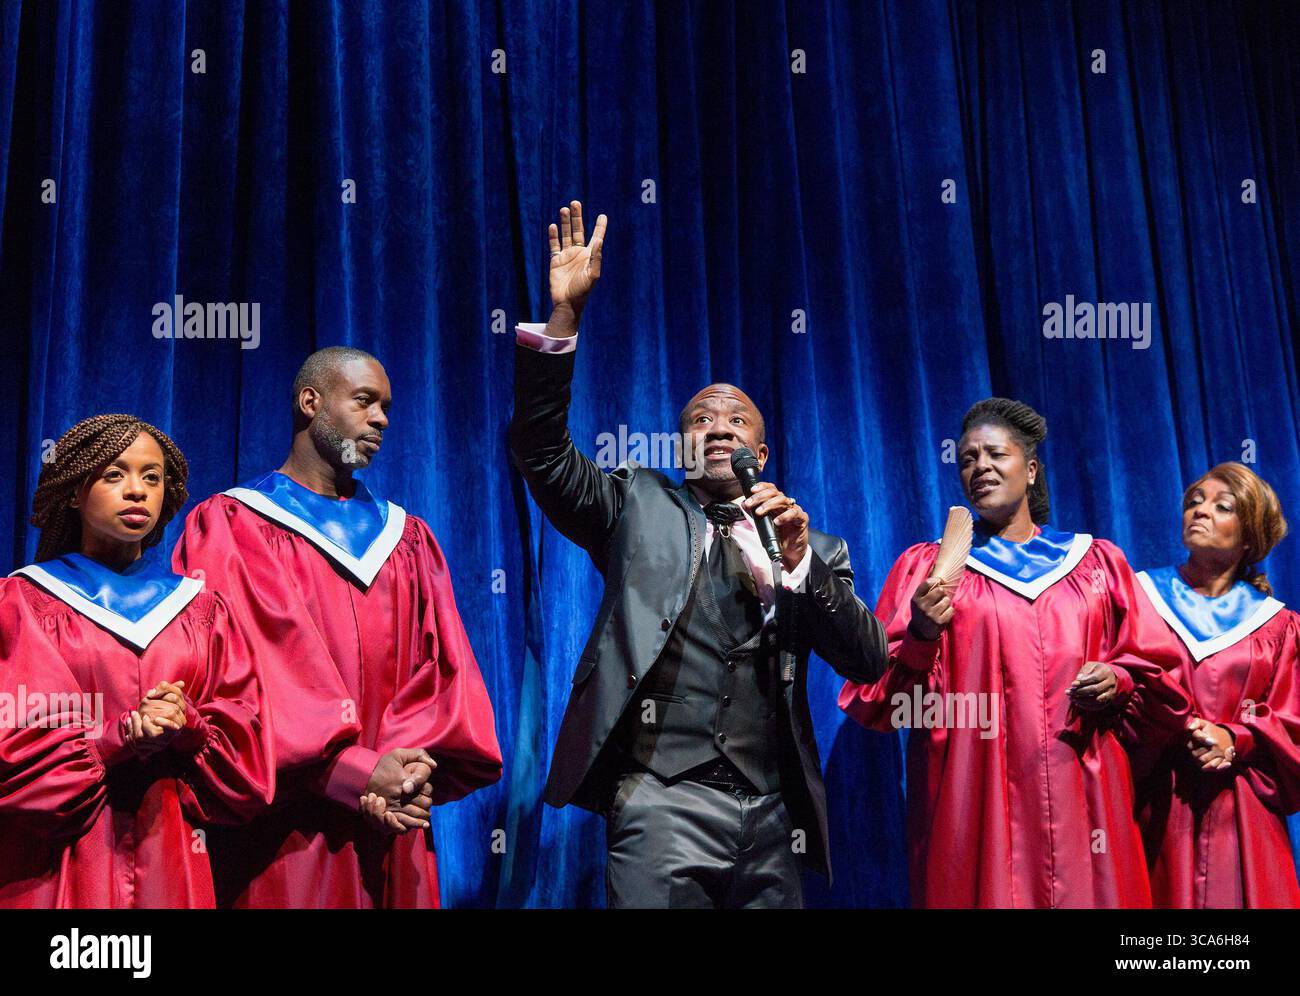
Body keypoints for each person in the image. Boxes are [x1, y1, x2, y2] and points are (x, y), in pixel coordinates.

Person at [510, 200, 888, 908]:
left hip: (772, 816)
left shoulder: (812, 541)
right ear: (681, 446)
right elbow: (541, 453)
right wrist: (565, 321)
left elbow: (868, 660)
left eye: (735, 418)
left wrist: (803, 567)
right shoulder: (634, 503)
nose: (717, 427)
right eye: (699, 420)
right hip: (659, 805)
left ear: (763, 451)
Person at [173, 347, 502, 908]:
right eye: (365, 401)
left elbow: (443, 674)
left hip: (391, 822)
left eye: (387, 408)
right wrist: (356, 773)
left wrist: (403, 775)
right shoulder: (234, 524)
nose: (381, 419)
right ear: (311, 402)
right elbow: (243, 680)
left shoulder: (407, 539)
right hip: (283, 829)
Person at [839, 398, 1190, 907]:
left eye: (994, 454)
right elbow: (877, 698)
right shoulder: (931, 569)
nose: (979, 466)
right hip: (972, 795)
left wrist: (1120, 680)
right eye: (966, 459)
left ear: (1029, 470)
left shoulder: (1097, 563)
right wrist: (918, 636)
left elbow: (1160, 674)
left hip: (1083, 787)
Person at [0, 414, 273, 907]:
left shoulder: (200, 609)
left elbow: (248, 748)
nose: (137, 491)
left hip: (170, 849)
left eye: (152, 477)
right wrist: (116, 738)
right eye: (114, 474)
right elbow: (14, 745)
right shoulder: (25, 601)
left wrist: (190, 724)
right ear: (73, 492)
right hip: (61, 861)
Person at [1134, 462, 1300, 907]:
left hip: (1243, 815)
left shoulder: (1278, 626)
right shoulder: (1139, 598)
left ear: (1249, 538)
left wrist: (1236, 737)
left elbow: (1293, 723)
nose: (1200, 511)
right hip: (1156, 806)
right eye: (1194, 503)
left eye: (1221, 506)